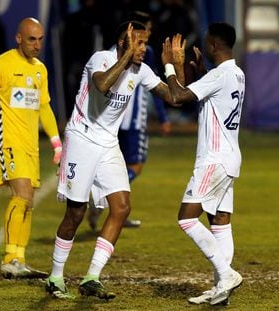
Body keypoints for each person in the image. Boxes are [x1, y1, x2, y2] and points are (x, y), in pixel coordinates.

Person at [45, 22, 185, 300]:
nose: (145, 49)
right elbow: (102, 84)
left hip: (108, 143)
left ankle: (92, 277)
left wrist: (174, 67)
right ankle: (55, 276)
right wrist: (125, 56)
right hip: (82, 138)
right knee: (76, 213)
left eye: (146, 44)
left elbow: (175, 97)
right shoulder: (101, 58)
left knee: (121, 208)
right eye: (140, 43)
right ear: (124, 42)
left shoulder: (142, 71)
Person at [0, 17, 62, 278]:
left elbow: (44, 108)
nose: (37, 45)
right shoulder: (1, 65)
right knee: (21, 196)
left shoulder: (40, 70)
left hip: (31, 146)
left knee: (28, 202)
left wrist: (56, 144)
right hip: (6, 142)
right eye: (32, 39)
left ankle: (18, 258)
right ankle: (9, 259)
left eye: (41, 39)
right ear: (19, 38)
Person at [161, 22, 244, 305]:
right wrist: (201, 73)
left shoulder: (220, 75)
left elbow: (177, 96)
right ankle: (222, 289)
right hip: (230, 156)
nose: (205, 45)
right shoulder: (236, 73)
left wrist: (170, 66)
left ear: (214, 46)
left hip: (213, 159)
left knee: (186, 218)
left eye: (207, 42)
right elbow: (215, 94)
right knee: (220, 221)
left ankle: (226, 273)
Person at [86, 10, 172, 230]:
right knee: (135, 166)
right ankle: (103, 200)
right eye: (146, 31)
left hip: (113, 121)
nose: (148, 38)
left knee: (118, 165)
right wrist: (163, 117)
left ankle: (114, 206)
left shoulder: (113, 53)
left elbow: (164, 89)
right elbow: (156, 89)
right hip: (132, 120)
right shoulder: (141, 54)